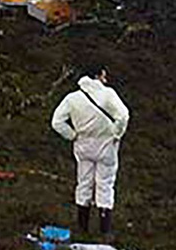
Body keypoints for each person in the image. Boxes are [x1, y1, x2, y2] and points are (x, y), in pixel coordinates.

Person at [51, 67, 129, 236]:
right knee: (105, 185)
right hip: (106, 147)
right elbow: (123, 116)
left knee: (83, 183)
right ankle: (104, 230)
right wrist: (117, 133)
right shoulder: (108, 94)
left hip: (83, 146)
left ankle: (82, 227)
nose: (106, 80)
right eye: (104, 76)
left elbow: (56, 122)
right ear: (98, 75)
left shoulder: (72, 98)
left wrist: (72, 135)